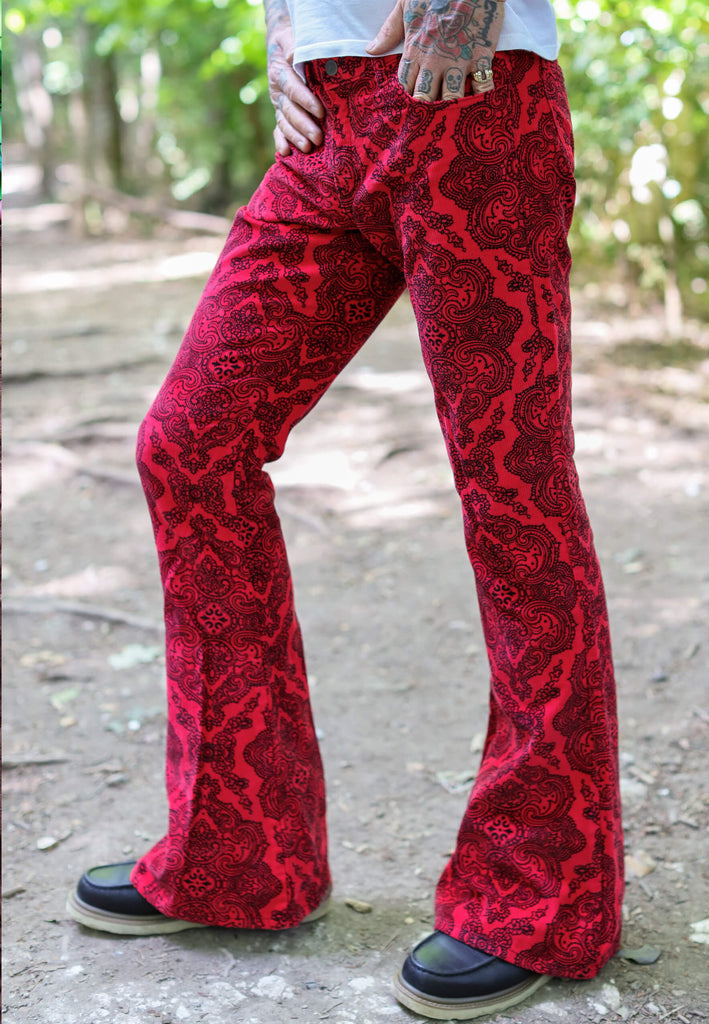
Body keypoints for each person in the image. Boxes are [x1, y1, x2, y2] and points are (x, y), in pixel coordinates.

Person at [66, 0, 624, 1018]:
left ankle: (540, 893)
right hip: (327, 117)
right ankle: (241, 856)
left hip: (474, 96)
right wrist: (285, 28)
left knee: (515, 500)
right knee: (192, 445)